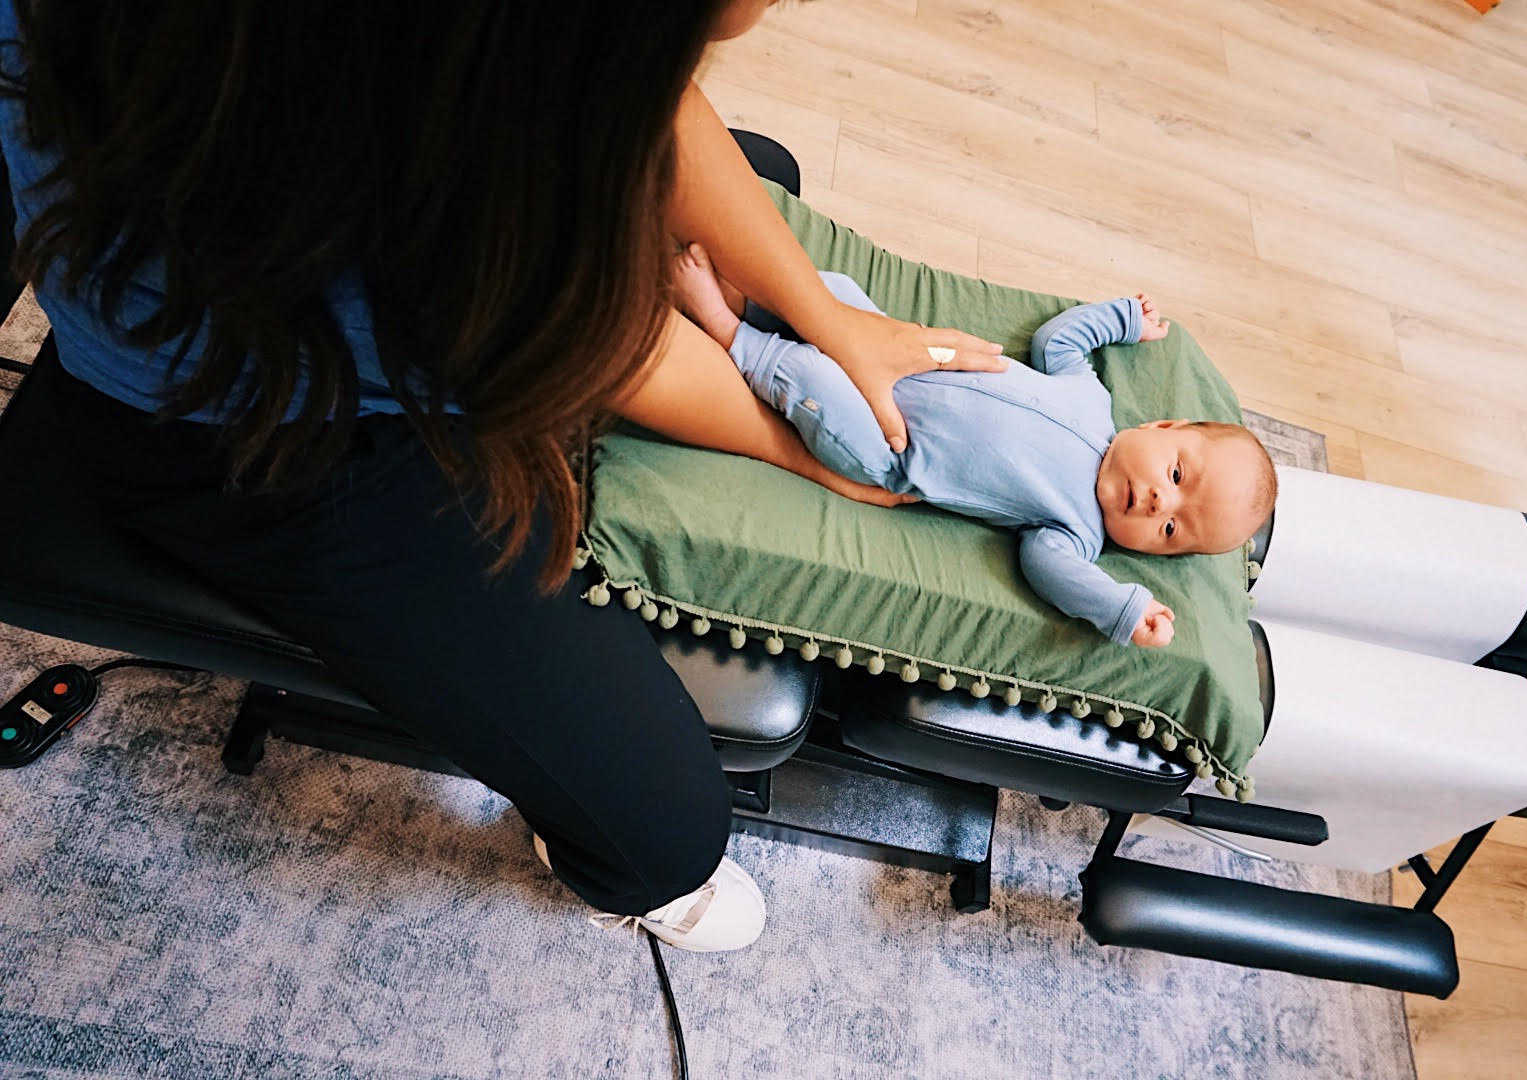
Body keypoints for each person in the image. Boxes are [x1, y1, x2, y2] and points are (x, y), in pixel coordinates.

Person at [0, 0, 1007, 952]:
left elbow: (641, 103)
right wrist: (799, 441)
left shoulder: (491, 54)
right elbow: (592, 340)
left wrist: (832, 325)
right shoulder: (400, 138)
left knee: (747, 181)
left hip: (391, 275)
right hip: (245, 435)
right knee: (663, 842)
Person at [672, 245, 1279, 648]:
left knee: (816, 386)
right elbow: (1059, 342)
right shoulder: (1090, 398)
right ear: (1163, 427)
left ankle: (728, 330)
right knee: (838, 295)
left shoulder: (1075, 532)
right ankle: (745, 300)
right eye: (1177, 477)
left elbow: (1052, 573)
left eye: (1170, 531)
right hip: (903, 356)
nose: (1158, 504)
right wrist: (1122, 320)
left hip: (887, 444)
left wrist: (1122, 609)